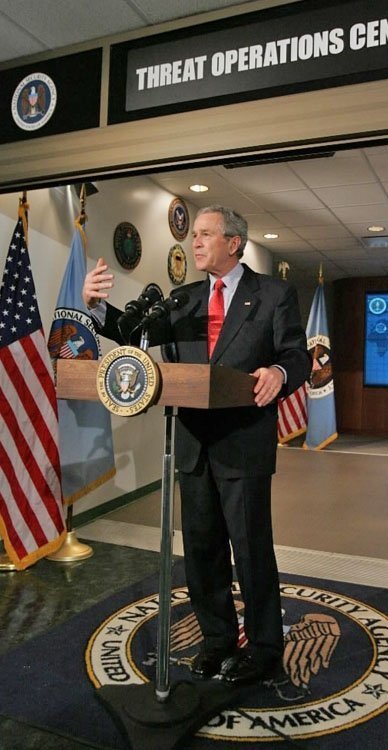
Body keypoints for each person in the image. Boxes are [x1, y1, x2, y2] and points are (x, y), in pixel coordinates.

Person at [83, 205, 311, 685]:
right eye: (196, 235)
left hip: (243, 444)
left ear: (234, 242)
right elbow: (133, 335)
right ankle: (217, 640)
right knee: (203, 552)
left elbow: (296, 353)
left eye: (206, 234)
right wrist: (99, 308)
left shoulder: (272, 294)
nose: (196, 242)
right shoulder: (182, 298)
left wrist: (279, 372)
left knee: (251, 551)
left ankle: (266, 649)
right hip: (191, 445)